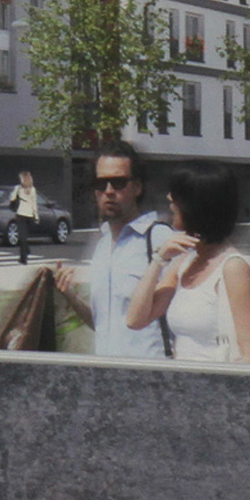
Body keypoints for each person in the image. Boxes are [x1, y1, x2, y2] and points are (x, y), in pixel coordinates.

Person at [128, 162, 250, 363]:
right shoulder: (183, 263)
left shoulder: (232, 268)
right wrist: (158, 260)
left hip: (217, 380)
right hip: (184, 380)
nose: (169, 199)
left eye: (177, 197)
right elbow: (135, 319)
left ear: (195, 206)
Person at [48, 141, 169, 358]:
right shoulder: (103, 245)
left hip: (151, 371)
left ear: (137, 187)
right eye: (101, 183)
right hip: (107, 372)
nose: (109, 191)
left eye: (119, 182)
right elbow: (102, 323)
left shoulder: (160, 238)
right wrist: (70, 295)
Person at [8, 168, 42, 264]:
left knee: (22, 237)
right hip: (29, 215)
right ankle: (24, 254)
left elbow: (12, 198)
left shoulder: (19, 188)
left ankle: (24, 256)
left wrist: (14, 192)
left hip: (21, 214)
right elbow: (34, 204)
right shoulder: (32, 189)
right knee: (24, 237)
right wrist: (36, 216)